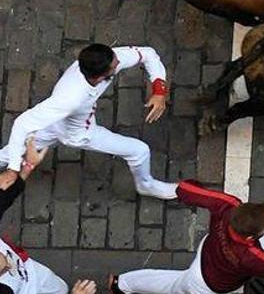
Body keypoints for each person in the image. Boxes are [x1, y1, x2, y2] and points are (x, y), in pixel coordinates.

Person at [109, 179, 264, 294]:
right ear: (252, 236)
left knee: (169, 284)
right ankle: (122, 285)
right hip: (207, 284)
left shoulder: (229, 205)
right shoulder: (252, 255)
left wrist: (187, 186)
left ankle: (121, 284)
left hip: (209, 250)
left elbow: (187, 189)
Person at [0, 44, 177, 199]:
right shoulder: (70, 98)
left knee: (9, 153)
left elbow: (148, 54)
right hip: (78, 133)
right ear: (100, 77)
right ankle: (146, 185)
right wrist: (13, 170)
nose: (119, 62)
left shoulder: (106, 58)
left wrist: (159, 90)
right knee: (140, 150)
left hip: (55, 122)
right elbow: (23, 123)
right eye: (115, 66)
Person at [0, 138, 97, 294]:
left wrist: (28, 165)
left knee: (59, 290)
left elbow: (5, 198)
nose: (4, 259)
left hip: (27, 271)